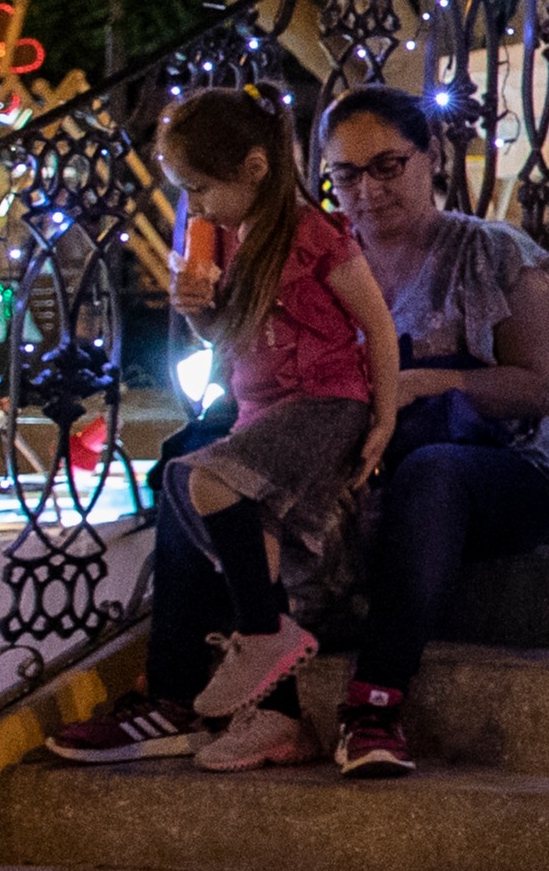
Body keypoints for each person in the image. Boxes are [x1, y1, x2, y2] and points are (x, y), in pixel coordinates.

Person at [129, 89, 410, 773]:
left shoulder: (313, 232)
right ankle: (278, 719)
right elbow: (228, 338)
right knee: (252, 547)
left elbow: (375, 322)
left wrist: (384, 414)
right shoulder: (224, 239)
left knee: (201, 477)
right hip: (263, 406)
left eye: (200, 187)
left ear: (254, 169)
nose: (194, 205)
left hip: (325, 399)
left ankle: (263, 634)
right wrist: (197, 311)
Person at [293, 85, 549, 781]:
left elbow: (538, 386)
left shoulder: (494, 253)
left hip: (494, 470)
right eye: (346, 174)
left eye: (387, 164)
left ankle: (375, 699)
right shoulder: (324, 266)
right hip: (364, 463)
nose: (367, 189)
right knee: (193, 458)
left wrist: (425, 383)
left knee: (433, 472)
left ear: (431, 156)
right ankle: (179, 691)